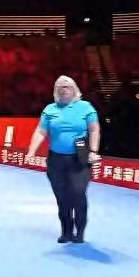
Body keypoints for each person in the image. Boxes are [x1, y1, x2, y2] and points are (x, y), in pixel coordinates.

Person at [26, 75, 101, 244]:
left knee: (78, 192)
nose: (63, 89)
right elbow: (41, 131)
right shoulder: (50, 109)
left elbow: (94, 129)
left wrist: (93, 151)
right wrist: (32, 151)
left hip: (79, 158)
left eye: (66, 86)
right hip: (56, 160)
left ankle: (79, 230)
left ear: (74, 89)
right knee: (62, 197)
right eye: (59, 87)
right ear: (55, 91)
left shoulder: (85, 107)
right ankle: (66, 231)